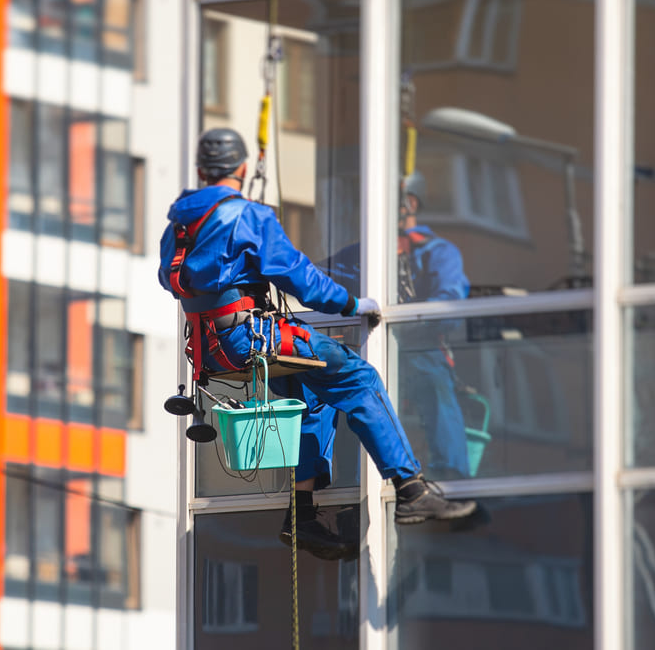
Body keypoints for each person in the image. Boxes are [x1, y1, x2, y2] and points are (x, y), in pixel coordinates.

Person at [158, 128, 476, 561]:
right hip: (250, 336)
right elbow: (299, 277)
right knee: (358, 377)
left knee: (313, 393)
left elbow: (175, 281)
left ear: (200, 170)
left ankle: (303, 513)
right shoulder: (248, 216)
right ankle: (411, 488)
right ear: (244, 169)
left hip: (209, 348)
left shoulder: (179, 225)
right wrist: (350, 303)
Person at [324, 172, 473, 478]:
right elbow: (319, 278)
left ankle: (451, 474)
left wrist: (405, 323)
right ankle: (348, 482)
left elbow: (449, 304)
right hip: (366, 346)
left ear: (410, 203)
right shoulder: (357, 255)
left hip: (420, 347)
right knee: (335, 387)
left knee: (434, 382)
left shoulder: (436, 252)